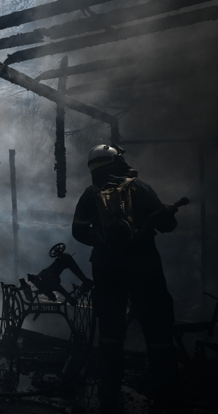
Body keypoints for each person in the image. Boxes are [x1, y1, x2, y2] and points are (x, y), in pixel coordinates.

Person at [72, 144, 186, 413]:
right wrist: (166, 214)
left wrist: (103, 243)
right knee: (157, 329)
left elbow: (78, 232)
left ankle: (109, 395)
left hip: (106, 269)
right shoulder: (140, 188)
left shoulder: (90, 195)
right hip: (144, 267)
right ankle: (167, 397)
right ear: (116, 161)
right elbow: (167, 226)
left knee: (110, 332)